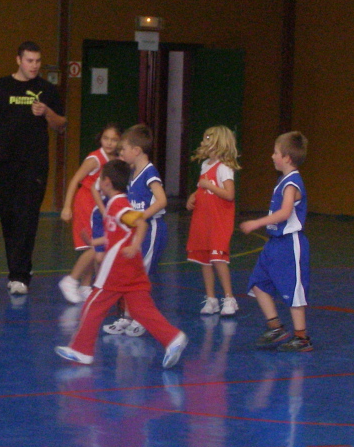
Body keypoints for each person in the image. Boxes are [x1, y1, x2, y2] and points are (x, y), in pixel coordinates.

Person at [56, 159, 188, 368]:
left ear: (107, 182)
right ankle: (172, 338)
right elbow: (116, 235)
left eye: (100, 179)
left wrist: (136, 245)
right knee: (141, 309)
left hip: (117, 267)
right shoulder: (115, 204)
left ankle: (82, 350)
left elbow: (140, 223)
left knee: (93, 305)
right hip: (131, 268)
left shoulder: (118, 204)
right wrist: (94, 242)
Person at [0, 41, 66, 295]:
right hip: (2, 163)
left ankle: (19, 276)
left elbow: (61, 124)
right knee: (9, 217)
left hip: (33, 165)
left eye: (37, 61)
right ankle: (21, 265)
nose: (34, 66)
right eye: (29, 61)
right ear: (18, 60)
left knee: (27, 216)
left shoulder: (47, 90)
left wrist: (46, 112)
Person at [239, 131, 312, 352]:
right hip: (274, 245)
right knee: (258, 284)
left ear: (287, 158)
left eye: (276, 152)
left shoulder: (292, 183)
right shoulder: (283, 180)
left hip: (289, 245)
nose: (272, 156)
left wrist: (256, 222)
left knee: (293, 291)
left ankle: (301, 337)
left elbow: (285, 212)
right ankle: (276, 328)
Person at [102, 124, 167, 337]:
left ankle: (140, 318)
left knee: (140, 277)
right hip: (139, 232)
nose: (121, 153)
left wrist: (141, 217)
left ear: (136, 151)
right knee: (132, 275)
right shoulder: (131, 173)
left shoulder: (149, 172)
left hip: (152, 230)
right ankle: (127, 317)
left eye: (124, 149)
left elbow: (162, 200)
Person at [58, 123, 121, 303]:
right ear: (100, 139)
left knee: (95, 247)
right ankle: (70, 281)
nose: (109, 143)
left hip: (99, 205)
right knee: (95, 246)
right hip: (86, 203)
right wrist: (67, 206)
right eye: (106, 139)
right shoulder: (95, 159)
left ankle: (86, 286)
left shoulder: (116, 159)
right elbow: (75, 180)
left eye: (114, 139)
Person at [186, 126, 241, 316]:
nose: (203, 142)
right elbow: (203, 189)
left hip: (218, 220)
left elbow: (229, 194)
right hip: (203, 219)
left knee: (218, 258)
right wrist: (193, 196)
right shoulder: (205, 165)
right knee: (205, 260)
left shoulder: (224, 167)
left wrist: (209, 185)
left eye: (207, 139)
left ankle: (229, 298)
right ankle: (211, 299)